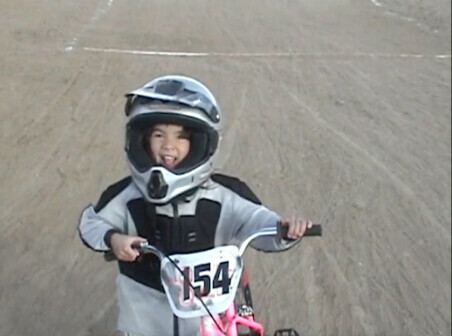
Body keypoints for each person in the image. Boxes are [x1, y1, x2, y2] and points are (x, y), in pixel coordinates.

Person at [78, 75, 313, 336]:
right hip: (144, 322)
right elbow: (91, 222)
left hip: (209, 321)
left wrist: (284, 229)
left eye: (181, 136)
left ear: (200, 143)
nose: (169, 145)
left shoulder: (225, 195)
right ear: (142, 140)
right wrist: (113, 238)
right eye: (158, 134)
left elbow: (257, 221)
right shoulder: (125, 196)